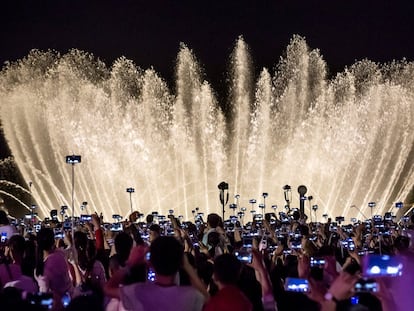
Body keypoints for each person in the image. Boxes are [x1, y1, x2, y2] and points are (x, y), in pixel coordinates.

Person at [105, 236, 207, 311]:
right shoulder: (190, 296)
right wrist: (187, 266)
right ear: (180, 262)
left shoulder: (138, 292)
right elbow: (209, 300)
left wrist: (130, 263)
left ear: (150, 263)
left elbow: (107, 289)